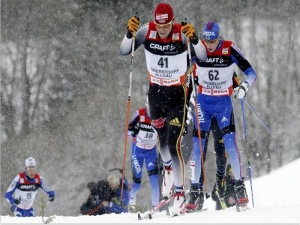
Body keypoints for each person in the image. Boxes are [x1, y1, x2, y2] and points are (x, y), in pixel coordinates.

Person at [120, 2, 207, 216]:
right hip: (155, 94)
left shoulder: (180, 33)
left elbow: (203, 57)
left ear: (172, 21)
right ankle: (168, 168)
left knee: (173, 142)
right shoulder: (147, 31)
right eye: (160, 26)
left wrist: (195, 39)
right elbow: (124, 51)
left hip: (178, 95)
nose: (162, 29)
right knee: (161, 139)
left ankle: (179, 193)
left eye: (166, 25)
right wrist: (129, 34)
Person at [187, 21, 257, 210]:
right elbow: (183, 68)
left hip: (223, 104)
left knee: (230, 145)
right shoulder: (197, 48)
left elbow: (251, 72)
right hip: (203, 103)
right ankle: (194, 192)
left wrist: (244, 86)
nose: (209, 45)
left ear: (219, 37)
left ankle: (240, 187)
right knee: (197, 146)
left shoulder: (229, 48)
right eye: (206, 41)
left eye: (213, 41)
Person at [186, 73, 240, 212]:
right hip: (202, 111)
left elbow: (235, 81)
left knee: (221, 154)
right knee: (200, 153)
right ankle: (198, 192)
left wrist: (240, 88)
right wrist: (187, 105)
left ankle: (220, 182)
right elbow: (187, 86)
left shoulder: (221, 62)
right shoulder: (198, 64)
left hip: (219, 112)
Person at [127, 100, 160, 210]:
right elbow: (129, 130)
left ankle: (155, 207)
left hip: (151, 152)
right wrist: (132, 131)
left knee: (155, 182)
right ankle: (131, 202)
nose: (152, 111)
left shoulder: (160, 115)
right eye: (150, 108)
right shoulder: (140, 113)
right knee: (137, 183)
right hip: (138, 151)